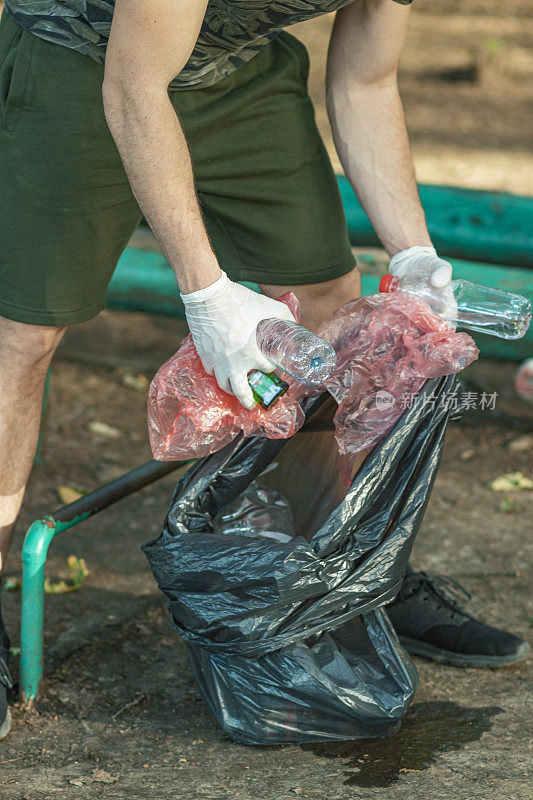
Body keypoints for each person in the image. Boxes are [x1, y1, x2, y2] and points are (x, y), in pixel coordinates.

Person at [0, 0, 527, 739]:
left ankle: (342, 577)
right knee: (24, 333)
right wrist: (206, 293)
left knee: (326, 301)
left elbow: (366, 81)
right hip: (85, 63)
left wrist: (413, 252)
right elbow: (133, 86)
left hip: (234, 72)